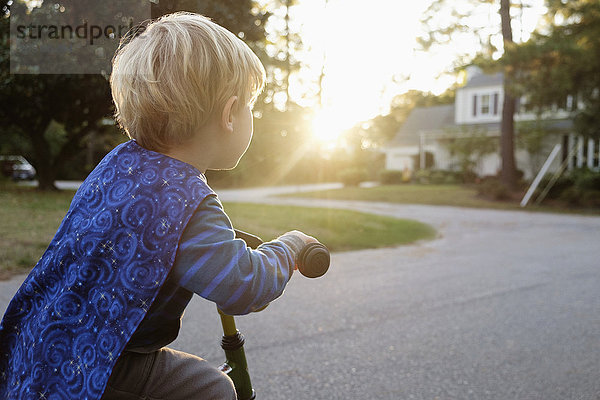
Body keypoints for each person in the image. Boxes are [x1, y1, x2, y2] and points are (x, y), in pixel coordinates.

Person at [0, 12, 319, 400]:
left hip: (42, 340)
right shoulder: (187, 201)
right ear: (230, 114)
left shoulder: (117, 165)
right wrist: (291, 246)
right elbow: (243, 286)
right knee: (214, 388)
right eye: (251, 104)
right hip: (103, 365)